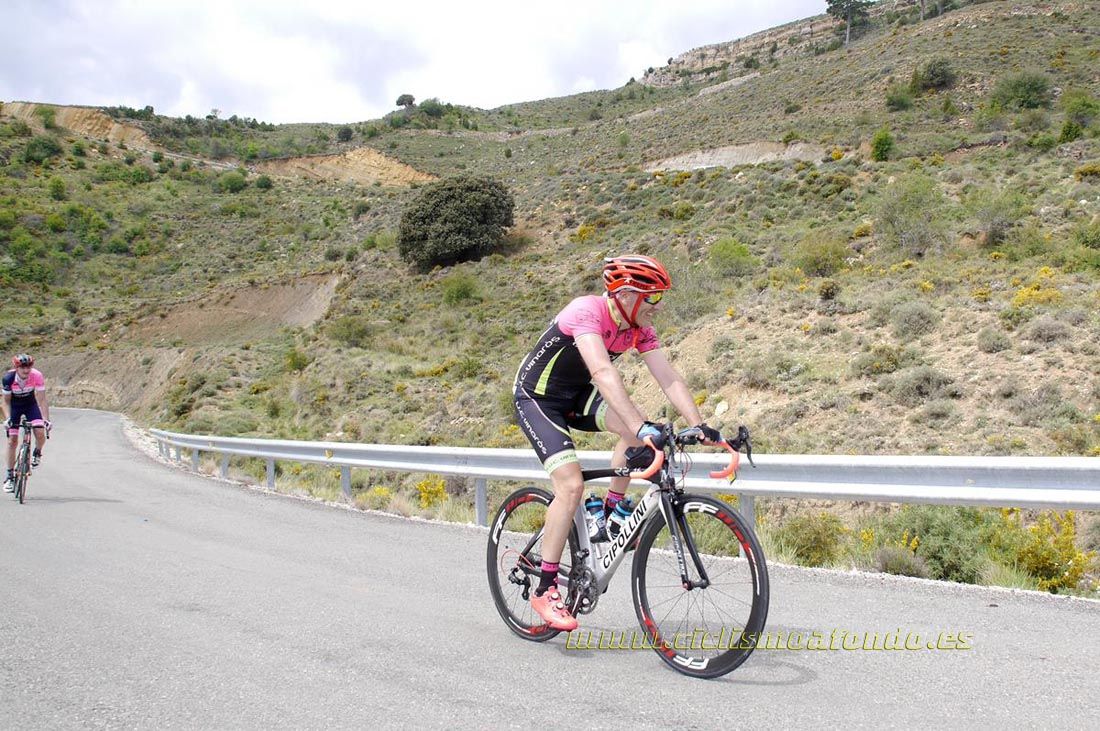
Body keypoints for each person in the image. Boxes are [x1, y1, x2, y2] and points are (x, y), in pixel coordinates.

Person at [512, 255, 722, 631]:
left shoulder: (638, 327)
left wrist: (699, 424)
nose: (659, 307)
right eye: (653, 298)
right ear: (626, 295)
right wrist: (641, 426)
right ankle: (544, 588)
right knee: (572, 485)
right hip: (538, 398)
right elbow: (602, 371)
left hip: (576, 396)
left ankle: (609, 512)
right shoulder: (587, 311)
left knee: (632, 429)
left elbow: (667, 376)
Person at [3, 354, 51, 492]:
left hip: (31, 405)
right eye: (23, 367)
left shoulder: (37, 375)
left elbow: (42, 399)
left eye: (28, 366)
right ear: (16, 367)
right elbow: (5, 402)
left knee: (40, 431)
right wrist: (7, 419)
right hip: (15, 407)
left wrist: (46, 419)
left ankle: (37, 452)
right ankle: (10, 476)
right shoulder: (8, 378)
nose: (26, 370)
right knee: (12, 441)